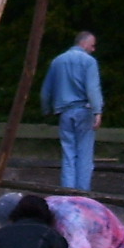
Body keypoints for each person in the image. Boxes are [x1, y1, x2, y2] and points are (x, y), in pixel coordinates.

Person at [40, 30, 103, 190]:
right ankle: (82, 193)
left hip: (65, 113)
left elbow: (46, 91)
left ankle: (67, 192)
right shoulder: (89, 62)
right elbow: (92, 88)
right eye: (92, 45)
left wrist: (47, 110)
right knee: (84, 155)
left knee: (68, 154)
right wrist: (97, 111)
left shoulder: (57, 61)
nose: (93, 49)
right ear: (84, 43)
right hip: (84, 111)